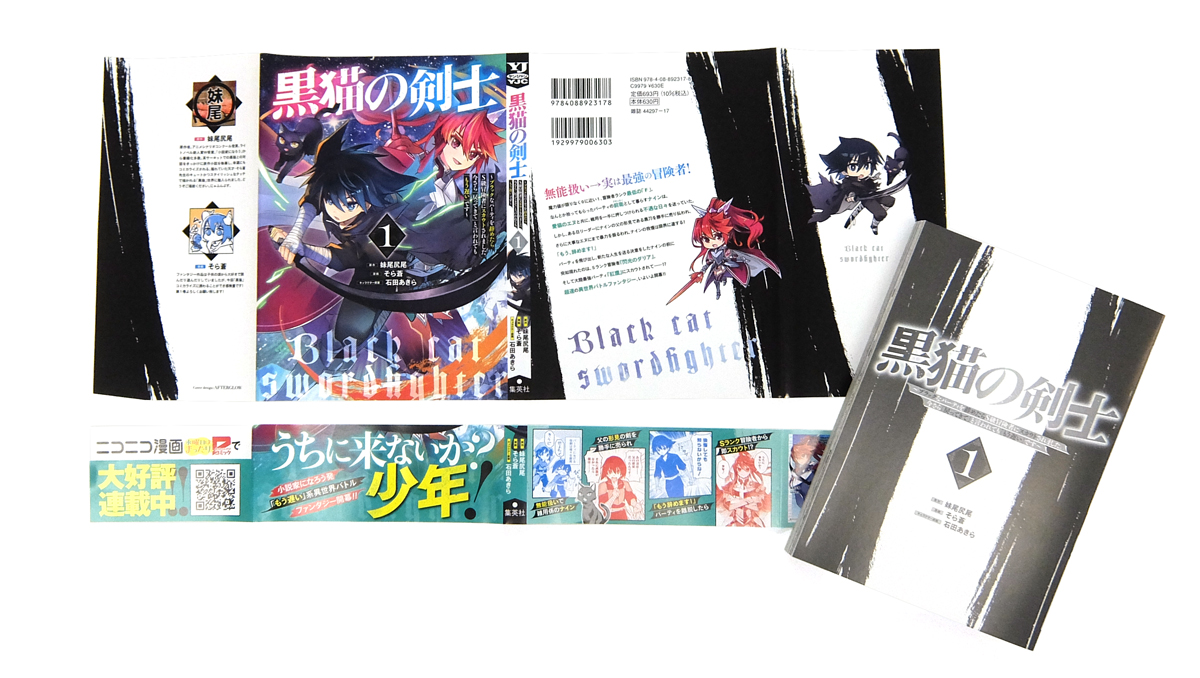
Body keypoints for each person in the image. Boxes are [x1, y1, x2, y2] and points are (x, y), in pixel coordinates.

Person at [718, 451, 770, 527]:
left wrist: (741, 503)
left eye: (747, 469)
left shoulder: (757, 487)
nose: (743, 472)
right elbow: (725, 506)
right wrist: (746, 501)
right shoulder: (729, 487)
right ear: (736, 469)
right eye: (739, 469)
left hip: (752, 522)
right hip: (733, 521)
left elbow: (762, 507)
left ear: (750, 469)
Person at [596, 456, 640, 521]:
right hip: (608, 516)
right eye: (610, 471)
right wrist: (613, 497)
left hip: (622, 514)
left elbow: (630, 496)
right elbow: (603, 506)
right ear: (606, 472)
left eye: (617, 471)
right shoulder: (603, 485)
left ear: (621, 472)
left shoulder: (625, 484)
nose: (614, 474)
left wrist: (635, 504)